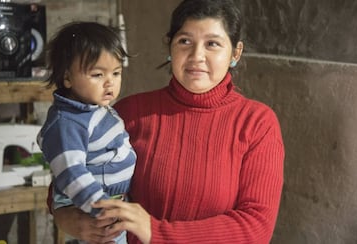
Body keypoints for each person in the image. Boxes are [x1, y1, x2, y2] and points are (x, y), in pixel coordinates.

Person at [48, 0, 284, 243]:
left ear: (235, 53)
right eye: (185, 41)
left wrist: (155, 231)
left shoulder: (257, 124)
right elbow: (68, 174)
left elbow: (255, 228)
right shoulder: (128, 113)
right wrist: (69, 219)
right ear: (169, 46)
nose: (196, 56)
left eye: (212, 44)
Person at [37, 21, 136, 244]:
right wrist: (103, 208)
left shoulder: (94, 109)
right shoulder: (68, 123)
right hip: (93, 209)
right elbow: (72, 173)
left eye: (116, 73)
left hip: (111, 204)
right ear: (67, 78)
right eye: (97, 75)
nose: (109, 82)